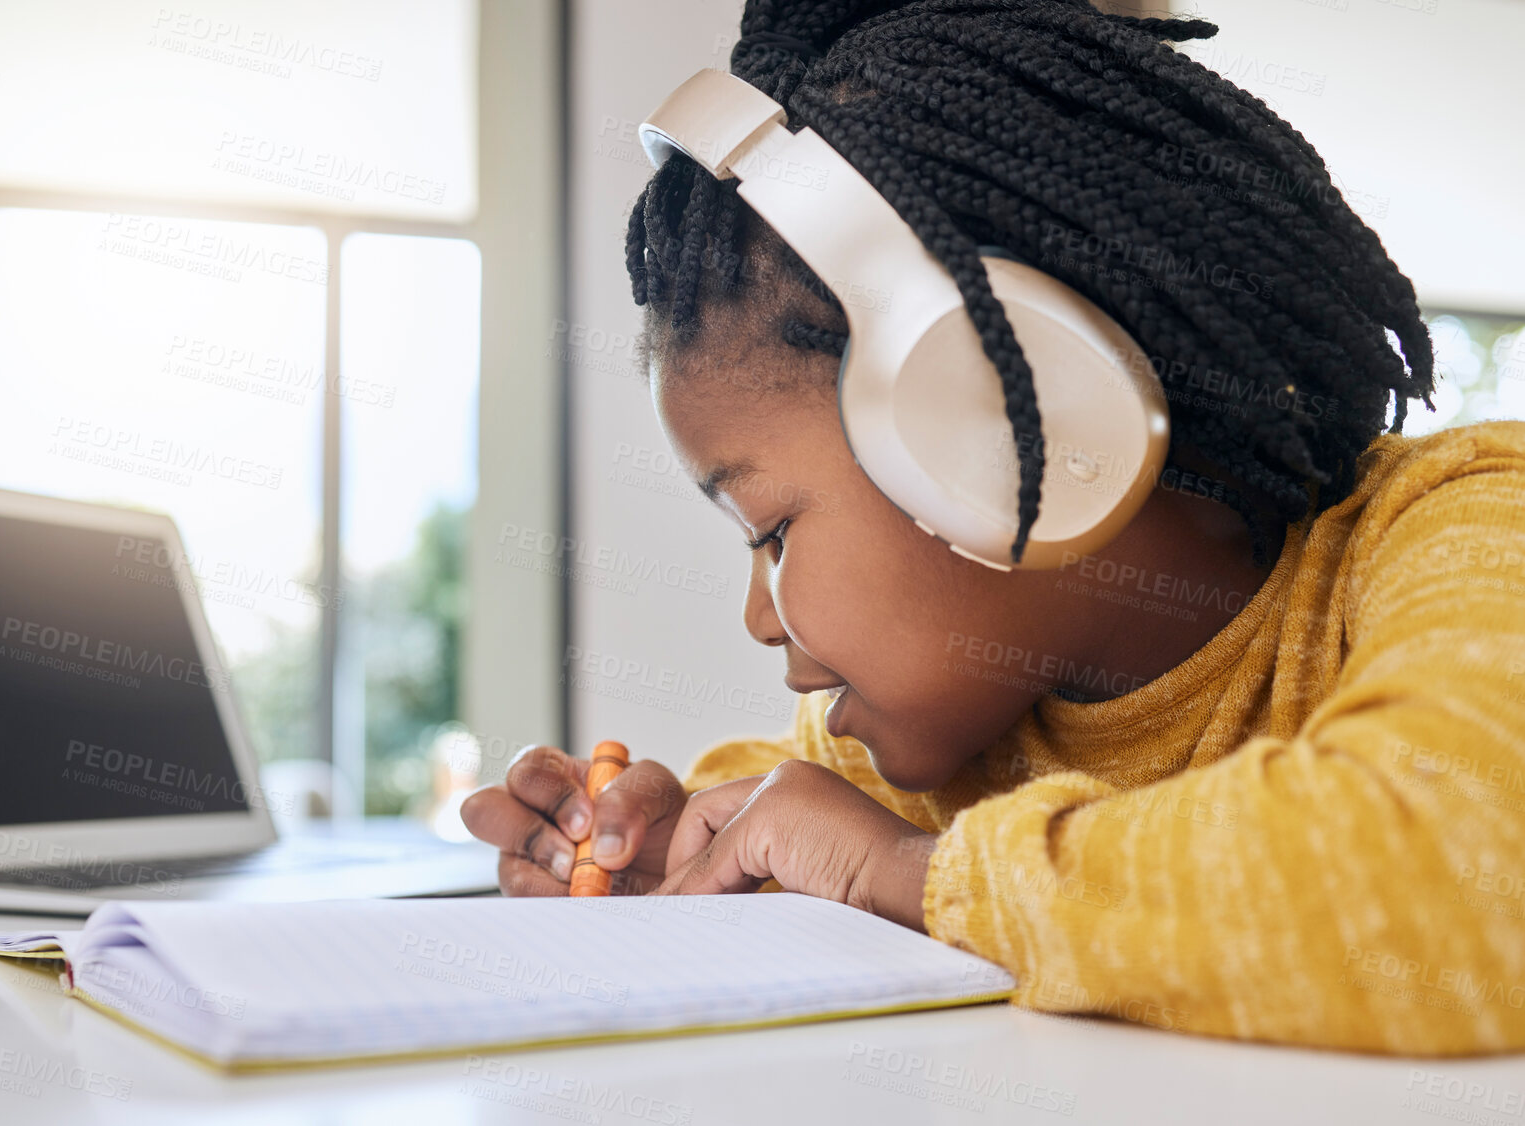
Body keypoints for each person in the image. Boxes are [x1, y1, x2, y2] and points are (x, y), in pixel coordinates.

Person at [463, 0, 1525, 1054]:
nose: (756, 615)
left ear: (997, 419)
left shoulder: (1463, 523)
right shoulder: (949, 734)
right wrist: (674, 858)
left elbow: (1460, 866)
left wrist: (897, 875)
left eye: (771, 530)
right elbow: (797, 814)